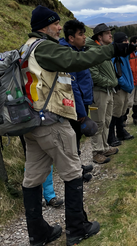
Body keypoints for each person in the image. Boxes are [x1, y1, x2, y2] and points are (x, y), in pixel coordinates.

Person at [20, 7, 134, 246]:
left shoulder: (27, 47)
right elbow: (76, 60)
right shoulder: (46, 47)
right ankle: (77, 228)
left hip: (31, 122)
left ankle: (37, 234)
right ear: (44, 26)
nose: (59, 28)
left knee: (32, 178)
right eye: (56, 24)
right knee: (73, 173)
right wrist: (112, 50)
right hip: (51, 121)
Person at [59, 19, 95, 181]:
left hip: (81, 103)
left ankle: (78, 167)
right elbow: (72, 87)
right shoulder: (70, 55)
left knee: (77, 138)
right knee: (72, 140)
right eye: (81, 34)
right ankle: (76, 174)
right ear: (71, 38)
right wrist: (81, 112)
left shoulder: (77, 51)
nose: (84, 37)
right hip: (74, 107)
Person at [85, 23, 120, 164]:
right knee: (98, 122)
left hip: (108, 92)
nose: (111, 35)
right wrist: (111, 83)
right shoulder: (93, 51)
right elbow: (93, 75)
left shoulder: (103, 50)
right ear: (100, 36)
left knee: (106, 121)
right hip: (99, 92)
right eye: (107, 33)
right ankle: (96, 152)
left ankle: (104, 147)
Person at [108, 32, 134, 146]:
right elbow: (117, 74)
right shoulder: (115, 55)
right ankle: (111, 136)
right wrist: (125, 84)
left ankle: (120, 132)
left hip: (125, 87)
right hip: (119, 88)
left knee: (122, 111)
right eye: (125, 41)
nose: (127, 43)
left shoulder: (123, 54)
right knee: (115, 112)